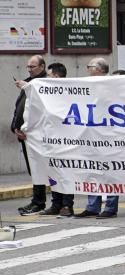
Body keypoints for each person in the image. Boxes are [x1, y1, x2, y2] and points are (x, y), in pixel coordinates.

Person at [79, 57, 120, 219]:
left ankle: (110, 207)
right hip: (91, 135)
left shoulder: (112, 85)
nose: (88, 69)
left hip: (109, 135)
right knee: (91, 170)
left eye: (90, 66)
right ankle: (92, 206)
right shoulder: (87, 85)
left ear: (99, 69)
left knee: (110, 172)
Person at [12, 55, 47, 216]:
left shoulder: (43, 84)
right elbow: (19, 109)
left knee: (40, 169)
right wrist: (16, 128)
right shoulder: (29, 83)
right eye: (28, 67)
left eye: (32, 67)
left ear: (42, 66)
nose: (29, 69)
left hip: (37, 135)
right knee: (34, 169)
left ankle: (40, 202)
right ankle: (37, 200)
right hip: (25, 135)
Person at [40, 62, 73, 217]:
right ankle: (56, 204)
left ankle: (67, 205)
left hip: (66, 139)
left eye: (49, 74)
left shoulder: (70, 92)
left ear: (56, 76)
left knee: (66, 173)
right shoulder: (47, 93)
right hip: (51, 139)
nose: (47, 77)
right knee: (53, 173)